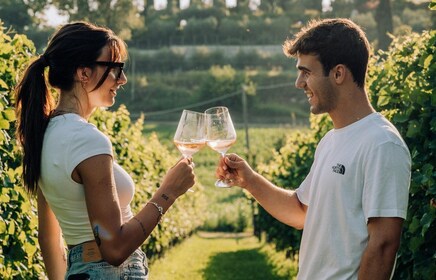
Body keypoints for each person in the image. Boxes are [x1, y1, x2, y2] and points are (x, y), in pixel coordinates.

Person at [217, 18, 411, 280]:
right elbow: (301, 212)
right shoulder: (331, 141)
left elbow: (384, 246)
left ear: (338, 73)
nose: (299, 83)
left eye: (306, 72)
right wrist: (249, 180)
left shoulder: (382, 144)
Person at [15, 21, 195, 279]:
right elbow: (115, 249)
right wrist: (169, 192)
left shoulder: (42, 135)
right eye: (115, 69)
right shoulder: (86, 139)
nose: (122, 79)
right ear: (84, 73)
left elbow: (49, 240)